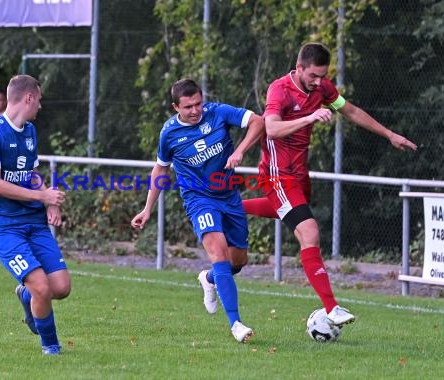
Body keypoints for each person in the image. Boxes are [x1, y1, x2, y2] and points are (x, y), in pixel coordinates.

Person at [242, 42, 417, 327]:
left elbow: (350, 111)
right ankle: (332, 307)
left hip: (299, 174)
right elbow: (271, 129)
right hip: (277, 174)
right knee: (309, 231)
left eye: (322, 76)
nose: (318, 82)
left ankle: (229, 207)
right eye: (313, 76)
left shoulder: (321, 88)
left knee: (288, 213)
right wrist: (310, 116)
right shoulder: (280, 89)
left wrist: (389, 134)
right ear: (299, 68)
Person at [131, 78, 265, 343]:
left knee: (237, 261)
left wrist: (239, 150)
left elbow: (258, 122)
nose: (195, 111)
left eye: (198, 104)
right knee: (218, 252)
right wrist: (147, 208)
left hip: (229, 195)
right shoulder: (169, 133)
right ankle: (236, 323)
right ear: (175, 107)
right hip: (199, 199)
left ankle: (209, 279)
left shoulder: (217, 113)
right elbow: (161, 168)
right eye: (188, 106)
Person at [0, 74, 69, 355]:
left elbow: (31, 175)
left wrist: (50, 202)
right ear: (28, 98)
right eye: (38, 99)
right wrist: (42, 197)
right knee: (41, 285)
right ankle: (51, 347)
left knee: (61, 287)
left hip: (32, 220)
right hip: (1, 224)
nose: (40, 105)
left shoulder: (29, 131)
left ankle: (26, 296)